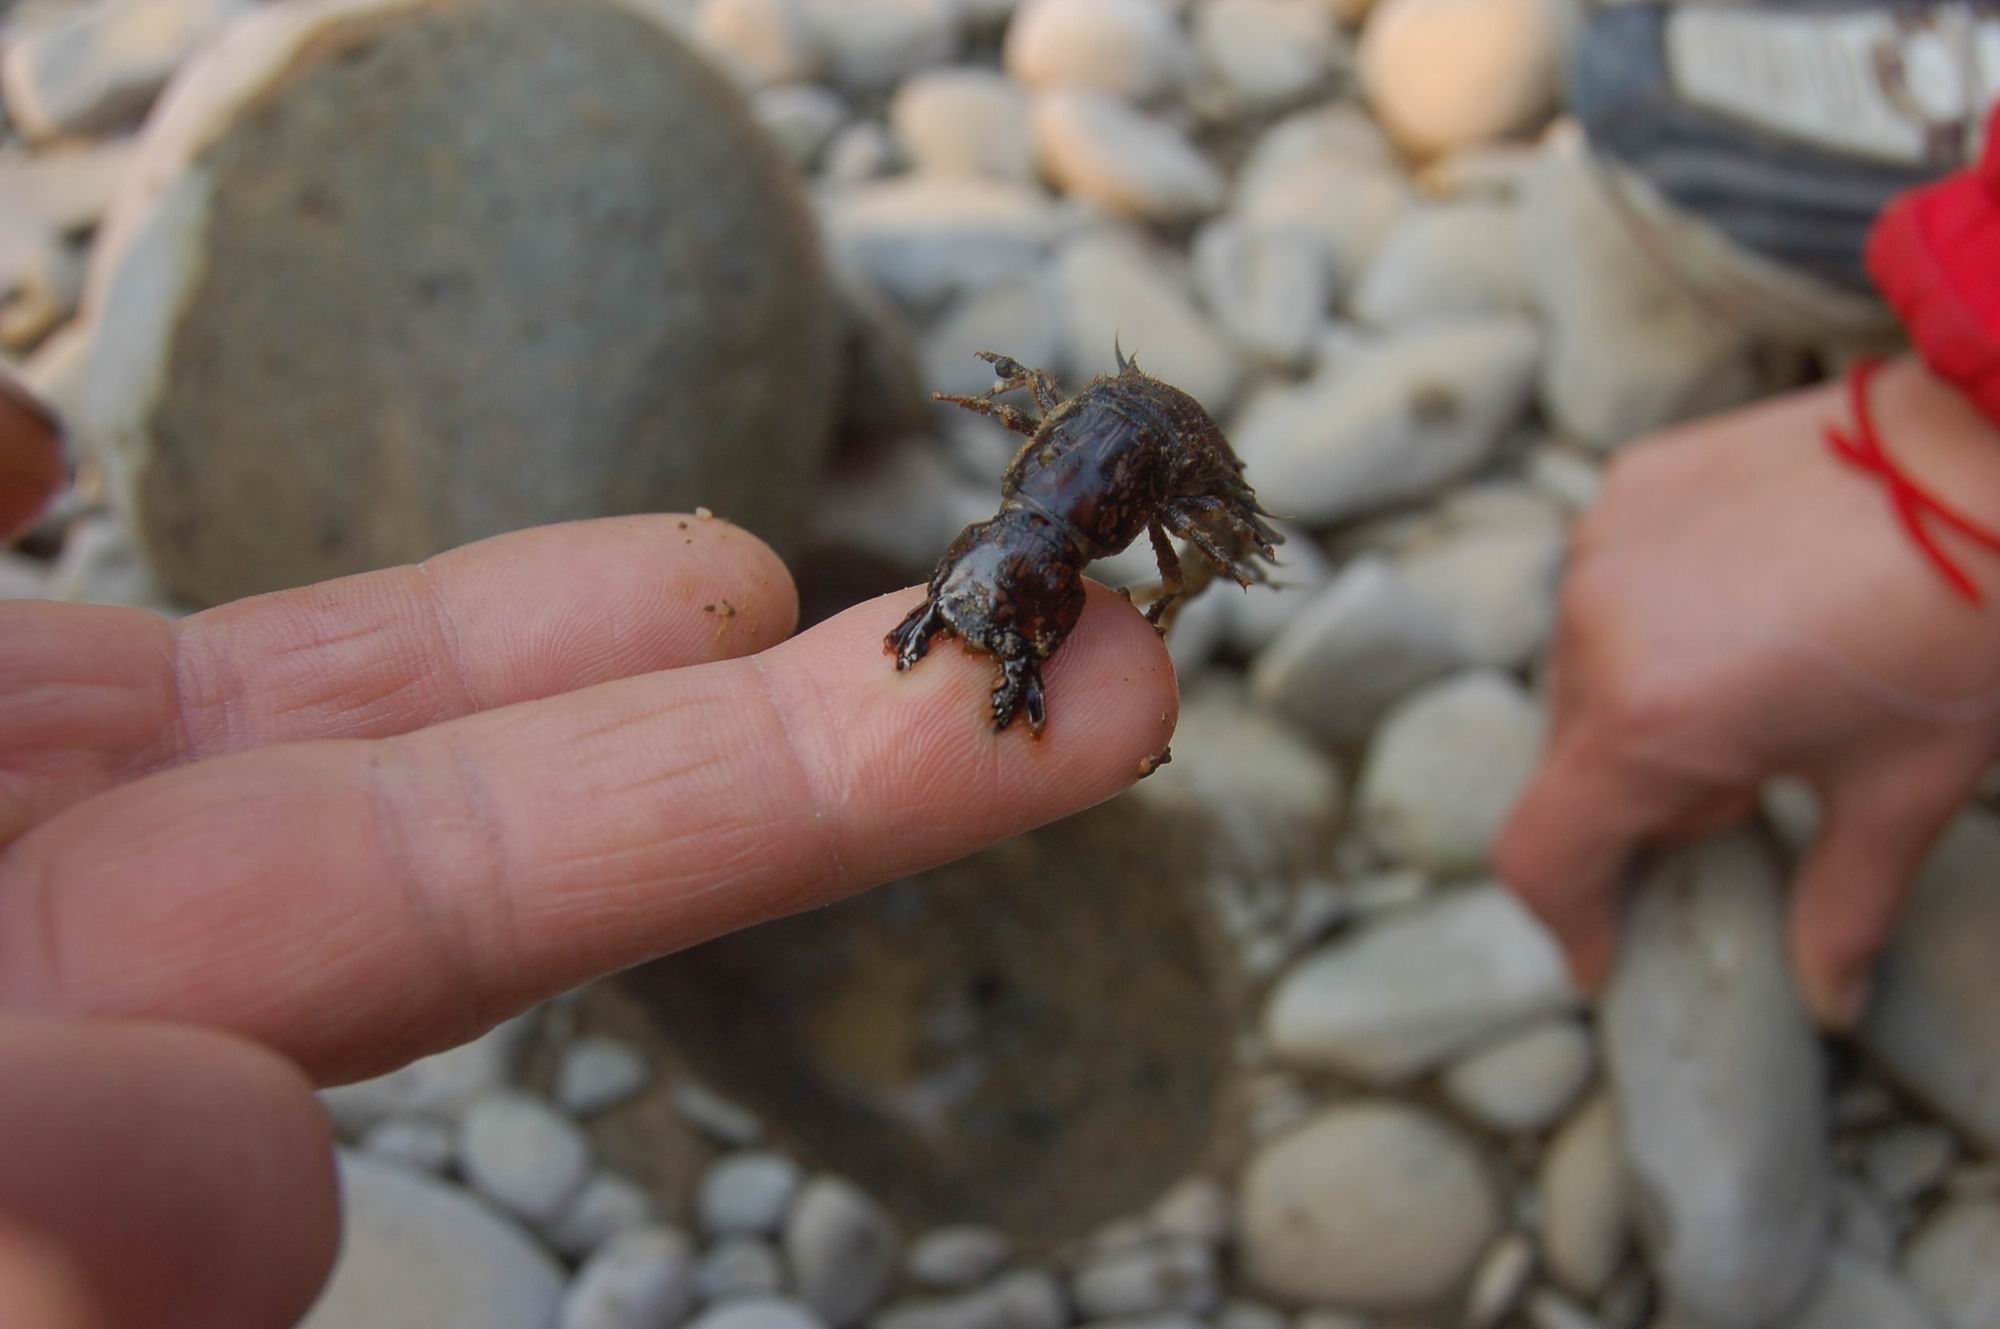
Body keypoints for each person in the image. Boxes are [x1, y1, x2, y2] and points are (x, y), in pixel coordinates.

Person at [1, 9, 1994, 1323]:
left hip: (1113, 475)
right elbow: (1010, 562)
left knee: (1036, 593)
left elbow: (1037, 564)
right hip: (1079, 480)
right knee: (1006, 581)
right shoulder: (1015, 540)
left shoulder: (1071, 533)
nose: (986, 616)